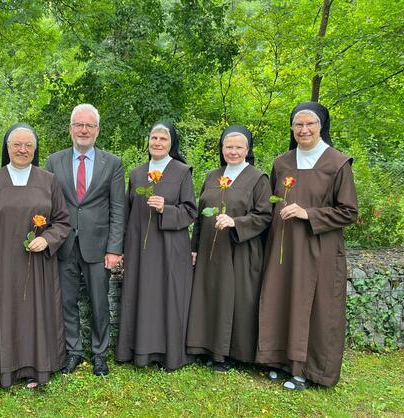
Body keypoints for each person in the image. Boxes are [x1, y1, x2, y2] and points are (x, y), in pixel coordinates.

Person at [256, 102, 358, 390]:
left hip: (319, 249)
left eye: (310, 124)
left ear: (321, 126)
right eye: (298, 124)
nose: (304, 130)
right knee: (280, 298)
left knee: (312, 306)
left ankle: (305, 370)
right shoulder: (282, 163)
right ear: (291, 128)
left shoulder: (337, 163)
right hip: (283, 246)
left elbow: (349, 211)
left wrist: (308, 213)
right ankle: (278, 360)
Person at [0, 124, 70, 388]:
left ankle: (39, 367)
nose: (22, 150)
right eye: (17, 144)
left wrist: (47, 239)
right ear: (7, 147)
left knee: (36, 316)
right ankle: (5, 370)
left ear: (35, 150)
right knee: (7, 316)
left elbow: (63, 221)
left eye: (28, 145)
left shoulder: (48, 181)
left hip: (37, 266)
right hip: (1, 265)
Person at [46, 104, 125, 376]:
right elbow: (48, 205)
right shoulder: (53, 162)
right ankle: (74, 351)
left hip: (99, 246)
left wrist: (114, 248)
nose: (83, 130)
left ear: (97, 130)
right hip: (64, 244)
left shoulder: (112, 163)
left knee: (99, 302)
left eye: (89, 125)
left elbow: (118, 209)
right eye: (78, 125)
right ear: (70, 129)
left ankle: (100, 354)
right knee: (66, 301)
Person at [186, 126, 272, 372]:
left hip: (240, 251)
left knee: (234, 300)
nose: (233, 152)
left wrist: (236, 222)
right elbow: (200, 216)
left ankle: (230, 353)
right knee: (209, 296)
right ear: (222, 149)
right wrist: (194, 247)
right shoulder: (212, 175)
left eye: (238, 147)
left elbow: (265, 215)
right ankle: (206, 347)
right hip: (210, 251)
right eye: (228, 147)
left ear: (247, 150)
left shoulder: (258, 178)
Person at [115, 122, 197, 371]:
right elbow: (127, 212)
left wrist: (166, 209)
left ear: (171, 143)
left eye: (163, 138)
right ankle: (138, 351)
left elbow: (190, 211)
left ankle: (167, 354)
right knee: (140, 295)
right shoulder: (137, 173)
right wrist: (123, 248)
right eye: (154, 138)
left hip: (170, 248)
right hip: (139, 248)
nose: (157, 143)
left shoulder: (182, 172)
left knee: (167, 297)